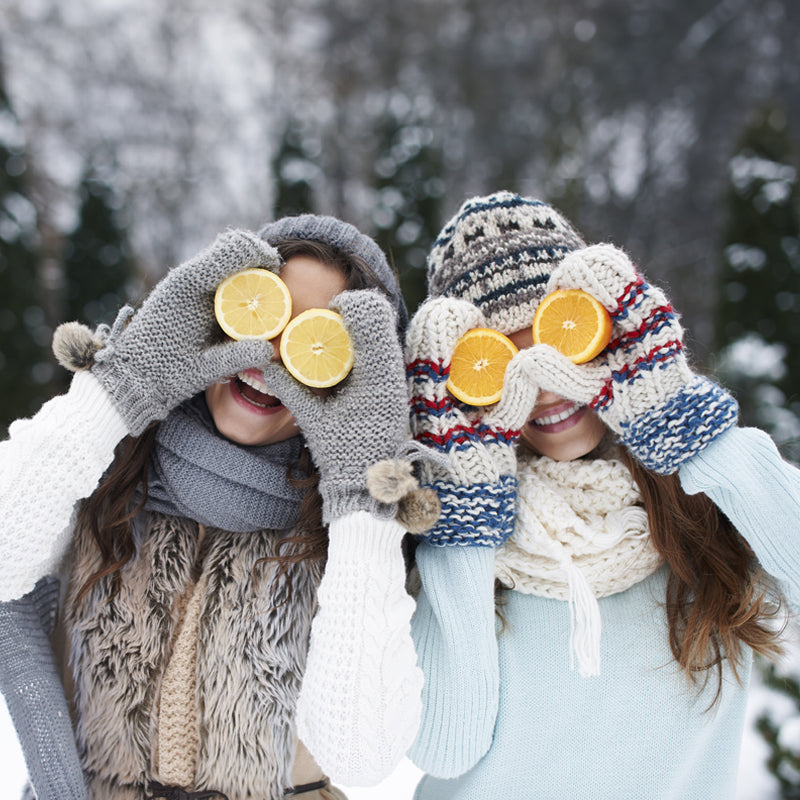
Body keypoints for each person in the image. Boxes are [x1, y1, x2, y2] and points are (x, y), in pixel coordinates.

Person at [0, 216, 423, 800]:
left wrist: (360, 499)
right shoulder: (102, 459)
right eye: (263, 314)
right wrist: (123, 387)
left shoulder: (360, 534)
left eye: (314, 342)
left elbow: (360, 755)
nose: (268, 358)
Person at [403, 191, 800, 799]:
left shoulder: (716, 504)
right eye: (502, 358)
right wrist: (462, 513)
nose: (542, 383)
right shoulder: (448, 540)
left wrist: (680, 424)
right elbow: (441, 746)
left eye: (559, 339)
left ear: (610, 335)